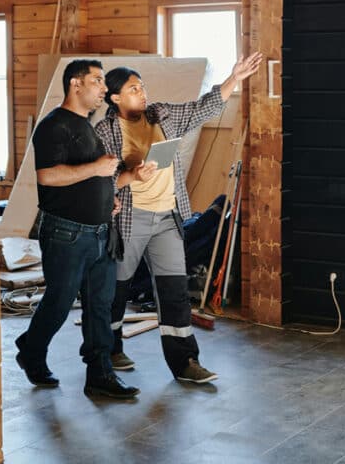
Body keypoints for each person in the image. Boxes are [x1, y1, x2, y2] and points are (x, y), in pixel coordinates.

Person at [95, 52, 263, 384]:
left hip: (167, 218)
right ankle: (109, 349)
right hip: (130, 219)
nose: (142, 93)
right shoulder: (105, 131)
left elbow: (204, 107)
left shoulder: (162, 114)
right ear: (114, 98)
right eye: (132, 89)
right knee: (117, 288)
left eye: (141, 87)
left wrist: (235, 78)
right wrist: (132, 174)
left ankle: (186, 362)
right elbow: (99, 179)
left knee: (173, 290)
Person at [14, 59, 139, 399]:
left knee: (100, 305)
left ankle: (99, 374)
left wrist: (107, 200)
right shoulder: (54, 126)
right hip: (66, 234)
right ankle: (31, 351)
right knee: (59, 302)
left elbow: (93, 178)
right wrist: (98, 169)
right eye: (97, 81)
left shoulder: (88, 125)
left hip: (100, 231)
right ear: (75, 84)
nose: (103, 88)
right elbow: (48, 176)